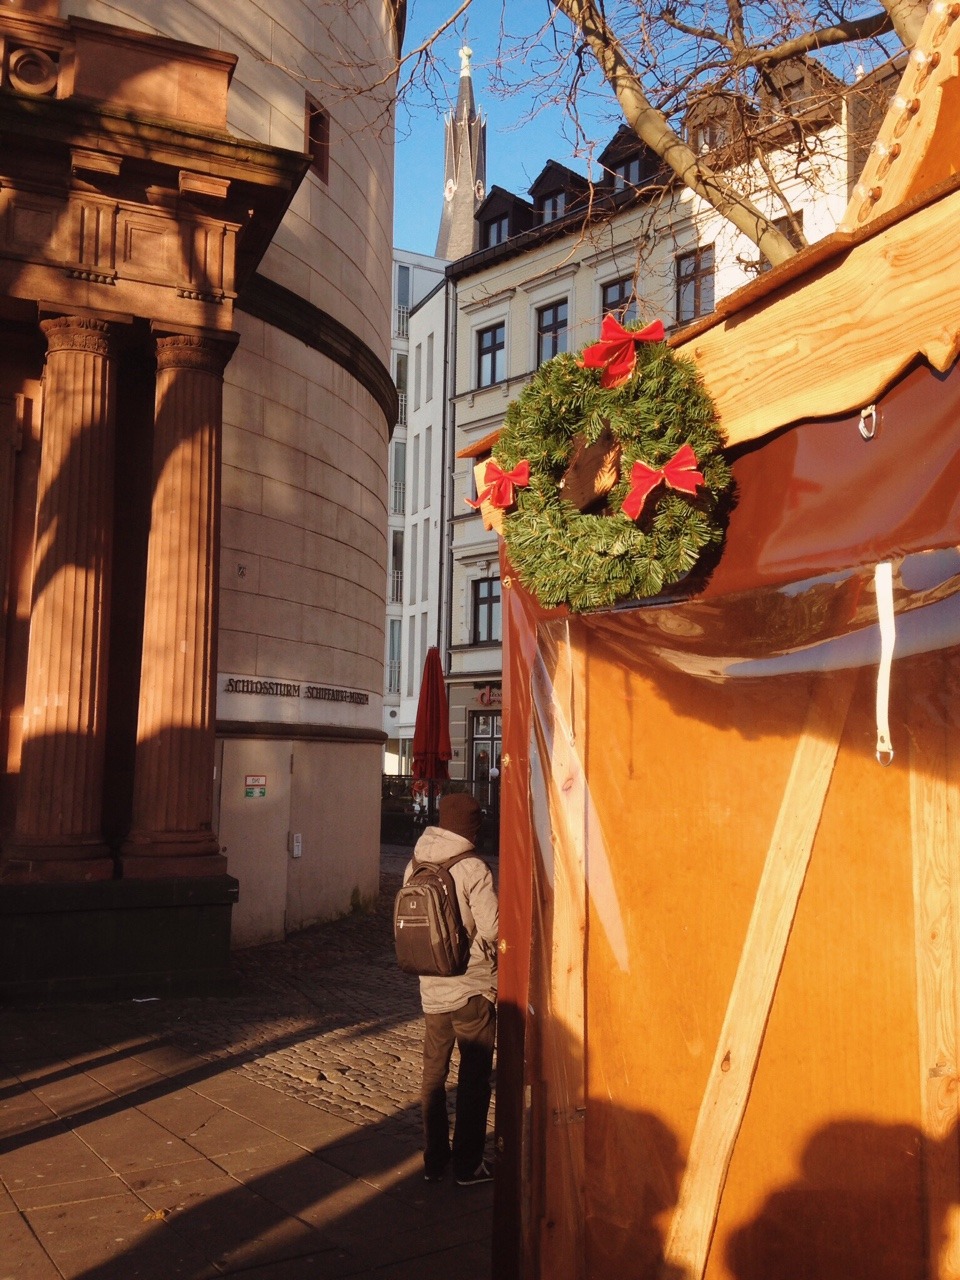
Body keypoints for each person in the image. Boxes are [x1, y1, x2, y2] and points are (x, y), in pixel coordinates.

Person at [405, 791, 499, 1186]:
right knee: (474, 1078)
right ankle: (468, 1165)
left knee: (433, 1074)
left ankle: (434, 1159)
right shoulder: (473, 868)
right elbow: (494, 929)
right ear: (472, 827)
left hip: (431, 989)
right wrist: (475, 954)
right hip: (471, 990)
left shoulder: (415, 863)